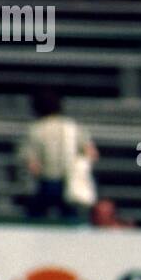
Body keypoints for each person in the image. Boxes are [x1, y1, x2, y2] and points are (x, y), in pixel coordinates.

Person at [20, 88, 98, 221]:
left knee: (35, 219)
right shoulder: (72, 127)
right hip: (70, 181)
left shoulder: (35, 130)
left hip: (46, 182)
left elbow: (32, 165)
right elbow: (91, 153)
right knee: (71, 220)